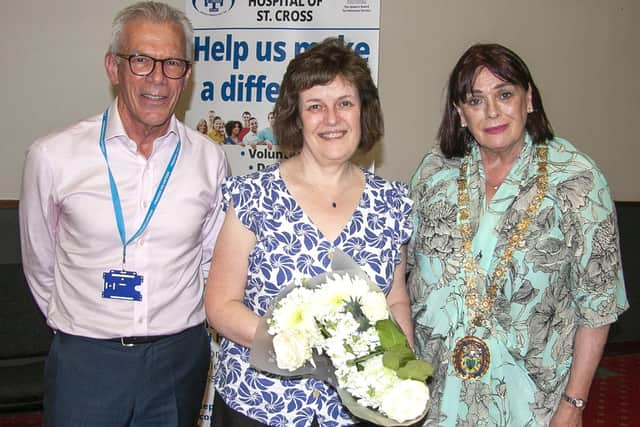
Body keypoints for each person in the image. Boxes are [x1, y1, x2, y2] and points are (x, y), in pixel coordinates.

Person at [19, 2, 228, 426]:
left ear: (186, 76)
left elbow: (211, 261)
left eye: (172, 63)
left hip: (178, 360)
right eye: (141, 60)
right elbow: (40, 262)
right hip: (87, 360)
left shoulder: (210, 160)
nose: (157, 78)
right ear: (114, 67)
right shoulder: (53, 156)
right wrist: (86, 326)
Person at [407, 43, 628, 426]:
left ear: (529, 99)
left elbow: (598, 304)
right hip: (435, 397)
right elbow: (402, 275)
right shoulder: (434, 173)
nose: (492, 111)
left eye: (504, 94)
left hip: (532, 402)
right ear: (460, 113)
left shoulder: (575, 179)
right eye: (475, 100)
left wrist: (573, 405)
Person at [205, 37, 414, 427]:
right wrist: (306, 349)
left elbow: (396, 300)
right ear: (296, 117)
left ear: (363, 112)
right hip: (260, 407)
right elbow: (219, 306)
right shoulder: (254, 196)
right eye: (315, 106)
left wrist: (399, 371)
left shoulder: (392, 203)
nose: (331, 119)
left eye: (345, 103)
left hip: (356, 413)